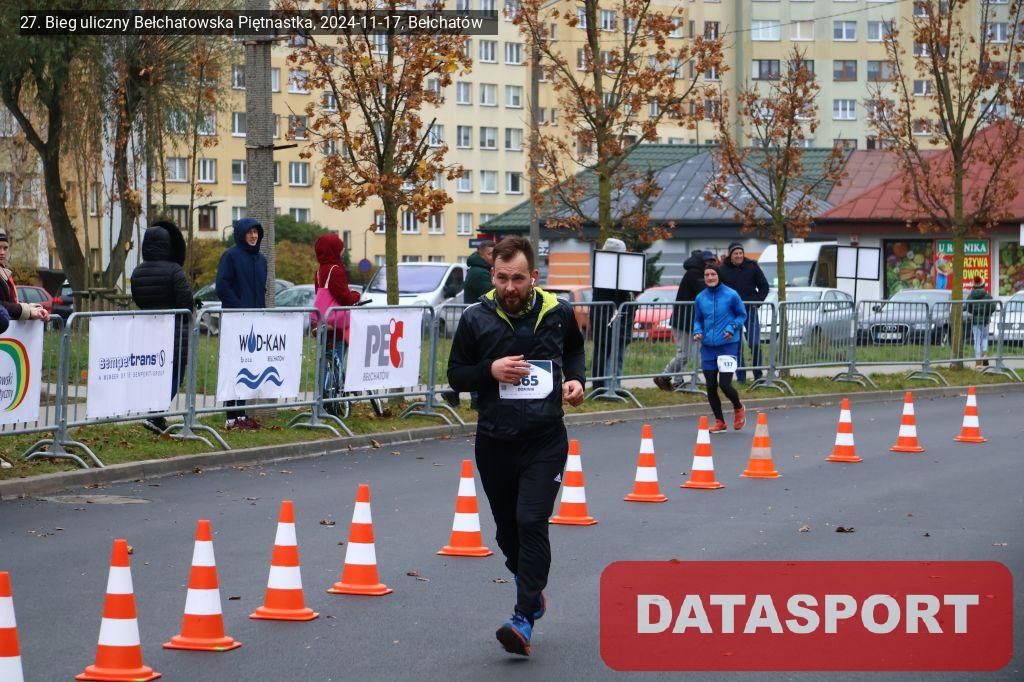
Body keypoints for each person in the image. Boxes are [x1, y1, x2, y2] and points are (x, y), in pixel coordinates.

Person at [446, 236, 585, 657]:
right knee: (507, 531)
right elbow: (456, 375)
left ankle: (522, 617)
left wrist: (576, 381)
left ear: (534, 277)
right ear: (493, 275)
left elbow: (574, 351)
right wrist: (489, 369)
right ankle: (532, 587)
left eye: (518, 279)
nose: (510, 287)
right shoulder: (475, 317)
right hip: (494, 441)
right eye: (503, 278)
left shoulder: (557, 312)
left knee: (531, 521)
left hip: (544, 440)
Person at [129, 220, 195, 433]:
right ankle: (156, 414)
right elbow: (185, 301)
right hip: (175, 331)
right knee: (175, 374)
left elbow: (138, 298)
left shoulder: (137, 272)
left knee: (155, 373)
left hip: (149, 331)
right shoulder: (175, 270)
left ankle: (155, 414)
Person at [215, 218, 268, 430]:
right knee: (234, 368)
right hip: (235, 321)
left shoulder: (261, 260)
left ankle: (242, 414)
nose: (253, 236)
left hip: (255, 323)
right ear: (241, 234)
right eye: (249, 232)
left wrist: (261, 314)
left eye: (256, 232)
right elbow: (222, 287)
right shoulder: (231, 256)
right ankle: (231, 416)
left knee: (248, 368)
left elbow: (261, 290)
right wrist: (239, 309)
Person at [441, 240, 495, 409]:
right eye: (489, 254)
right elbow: (492, 294)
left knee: (474, 359)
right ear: (480, 253)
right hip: (478, 321)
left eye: (494, 254)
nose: (493, 257)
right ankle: (474, 399)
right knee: (477, 360)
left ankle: (454, 392)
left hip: (479, 320)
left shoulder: (481, 270)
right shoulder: (479, 273)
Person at [693, 264, 746, 433]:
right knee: (710, 385)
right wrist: (697, 331)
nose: (710, 277)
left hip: (728, 345)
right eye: (707, 275)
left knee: (724, 384)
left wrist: (731, 328)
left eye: (713, 274)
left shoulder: (731, 295)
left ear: (718, 275)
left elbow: (741, 315)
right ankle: (720, 422)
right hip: (708, 346)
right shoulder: (700, 298)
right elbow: (698, 319)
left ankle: (738, 407)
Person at [655, 250, 717, 391]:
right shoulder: (694, 274)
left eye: (712, 262)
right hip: (683, 321)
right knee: (684, 354)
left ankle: (680, 381)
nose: (710, 264)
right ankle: (664, 376)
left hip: (693, 321)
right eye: (708, 262)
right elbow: (705, 291)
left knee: (694, 353)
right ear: (702, 262)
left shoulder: (700, 274)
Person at [718, 243, 769, 383]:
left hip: (750, 310)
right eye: (736, 253)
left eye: (741, 253)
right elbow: (718, 290)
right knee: (737, 345)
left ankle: (758, 375)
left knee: (755, 342)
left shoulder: (752, 266)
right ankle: (741, 378)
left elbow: (764, 286)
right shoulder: (722, 269)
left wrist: (757, 302)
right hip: (731, 313)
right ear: (730, 255)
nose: (739, 255)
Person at [591, 238, 635, 390]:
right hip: (608, 317)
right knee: (606, 351)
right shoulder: (606, 271)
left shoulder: (603, 269)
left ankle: (610, 385)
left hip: (609, 316)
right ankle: (605, 386)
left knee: (611, 351)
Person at [0, 232, 50, 324]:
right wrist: (29, 311)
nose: (2, 252)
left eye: (5, 248)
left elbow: (11, 303)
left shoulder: (5, 272)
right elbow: (2, 306)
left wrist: (34, 309)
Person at [966, 275, 995, 368]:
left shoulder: (971, 296)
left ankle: (978, 361)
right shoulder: (987, 295)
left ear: (974, 285)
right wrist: (988, 313)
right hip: (985, 320)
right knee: (985, 337)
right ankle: (985, 354)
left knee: (977, 340)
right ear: (983, 284)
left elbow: (968, 307)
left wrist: (973, 312)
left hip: (975, 321)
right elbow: (993, 306)